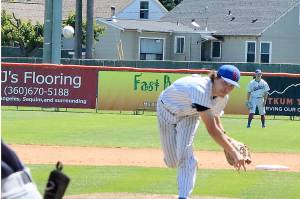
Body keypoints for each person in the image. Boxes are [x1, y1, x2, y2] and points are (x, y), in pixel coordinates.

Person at [156, 65, 247, 199]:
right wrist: (234, 151)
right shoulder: (200, 89)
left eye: (231, 86)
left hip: (190, 116)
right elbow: (212, 130)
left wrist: (228, 142)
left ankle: (184, 195)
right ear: (215, 77)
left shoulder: (223, 97)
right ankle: (182, 156)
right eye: (225, 83)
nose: (227, 89)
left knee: (186, 158)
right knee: (172, 162)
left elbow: (216, 120)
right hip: (166, 111)